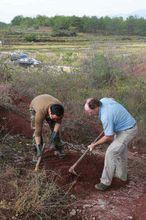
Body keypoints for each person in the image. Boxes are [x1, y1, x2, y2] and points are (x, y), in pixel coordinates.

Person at [84, 97, 137, 191]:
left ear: (96, 107)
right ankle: (121, 177)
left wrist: (94, 144)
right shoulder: (103, 100)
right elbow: (111, 98)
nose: (89, 114)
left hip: (127, 131)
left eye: (90, 112)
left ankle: (105, 182)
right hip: (123, 128)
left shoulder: (106, 116)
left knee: (111, 152)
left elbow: (108, 136)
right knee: (120, 152)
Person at [29, 94, 65, 161]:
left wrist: (54, 134)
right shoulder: (40, 113)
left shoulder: (60, 109)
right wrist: (39, 146)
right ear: (50, 112)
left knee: (56, 134)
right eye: (54, 118)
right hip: (35, 105)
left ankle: (59, 149)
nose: (55, 120)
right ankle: (37, 152)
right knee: (36, 130)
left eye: (57, 118)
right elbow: (38, 133)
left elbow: (58, 123)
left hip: (48, 101)